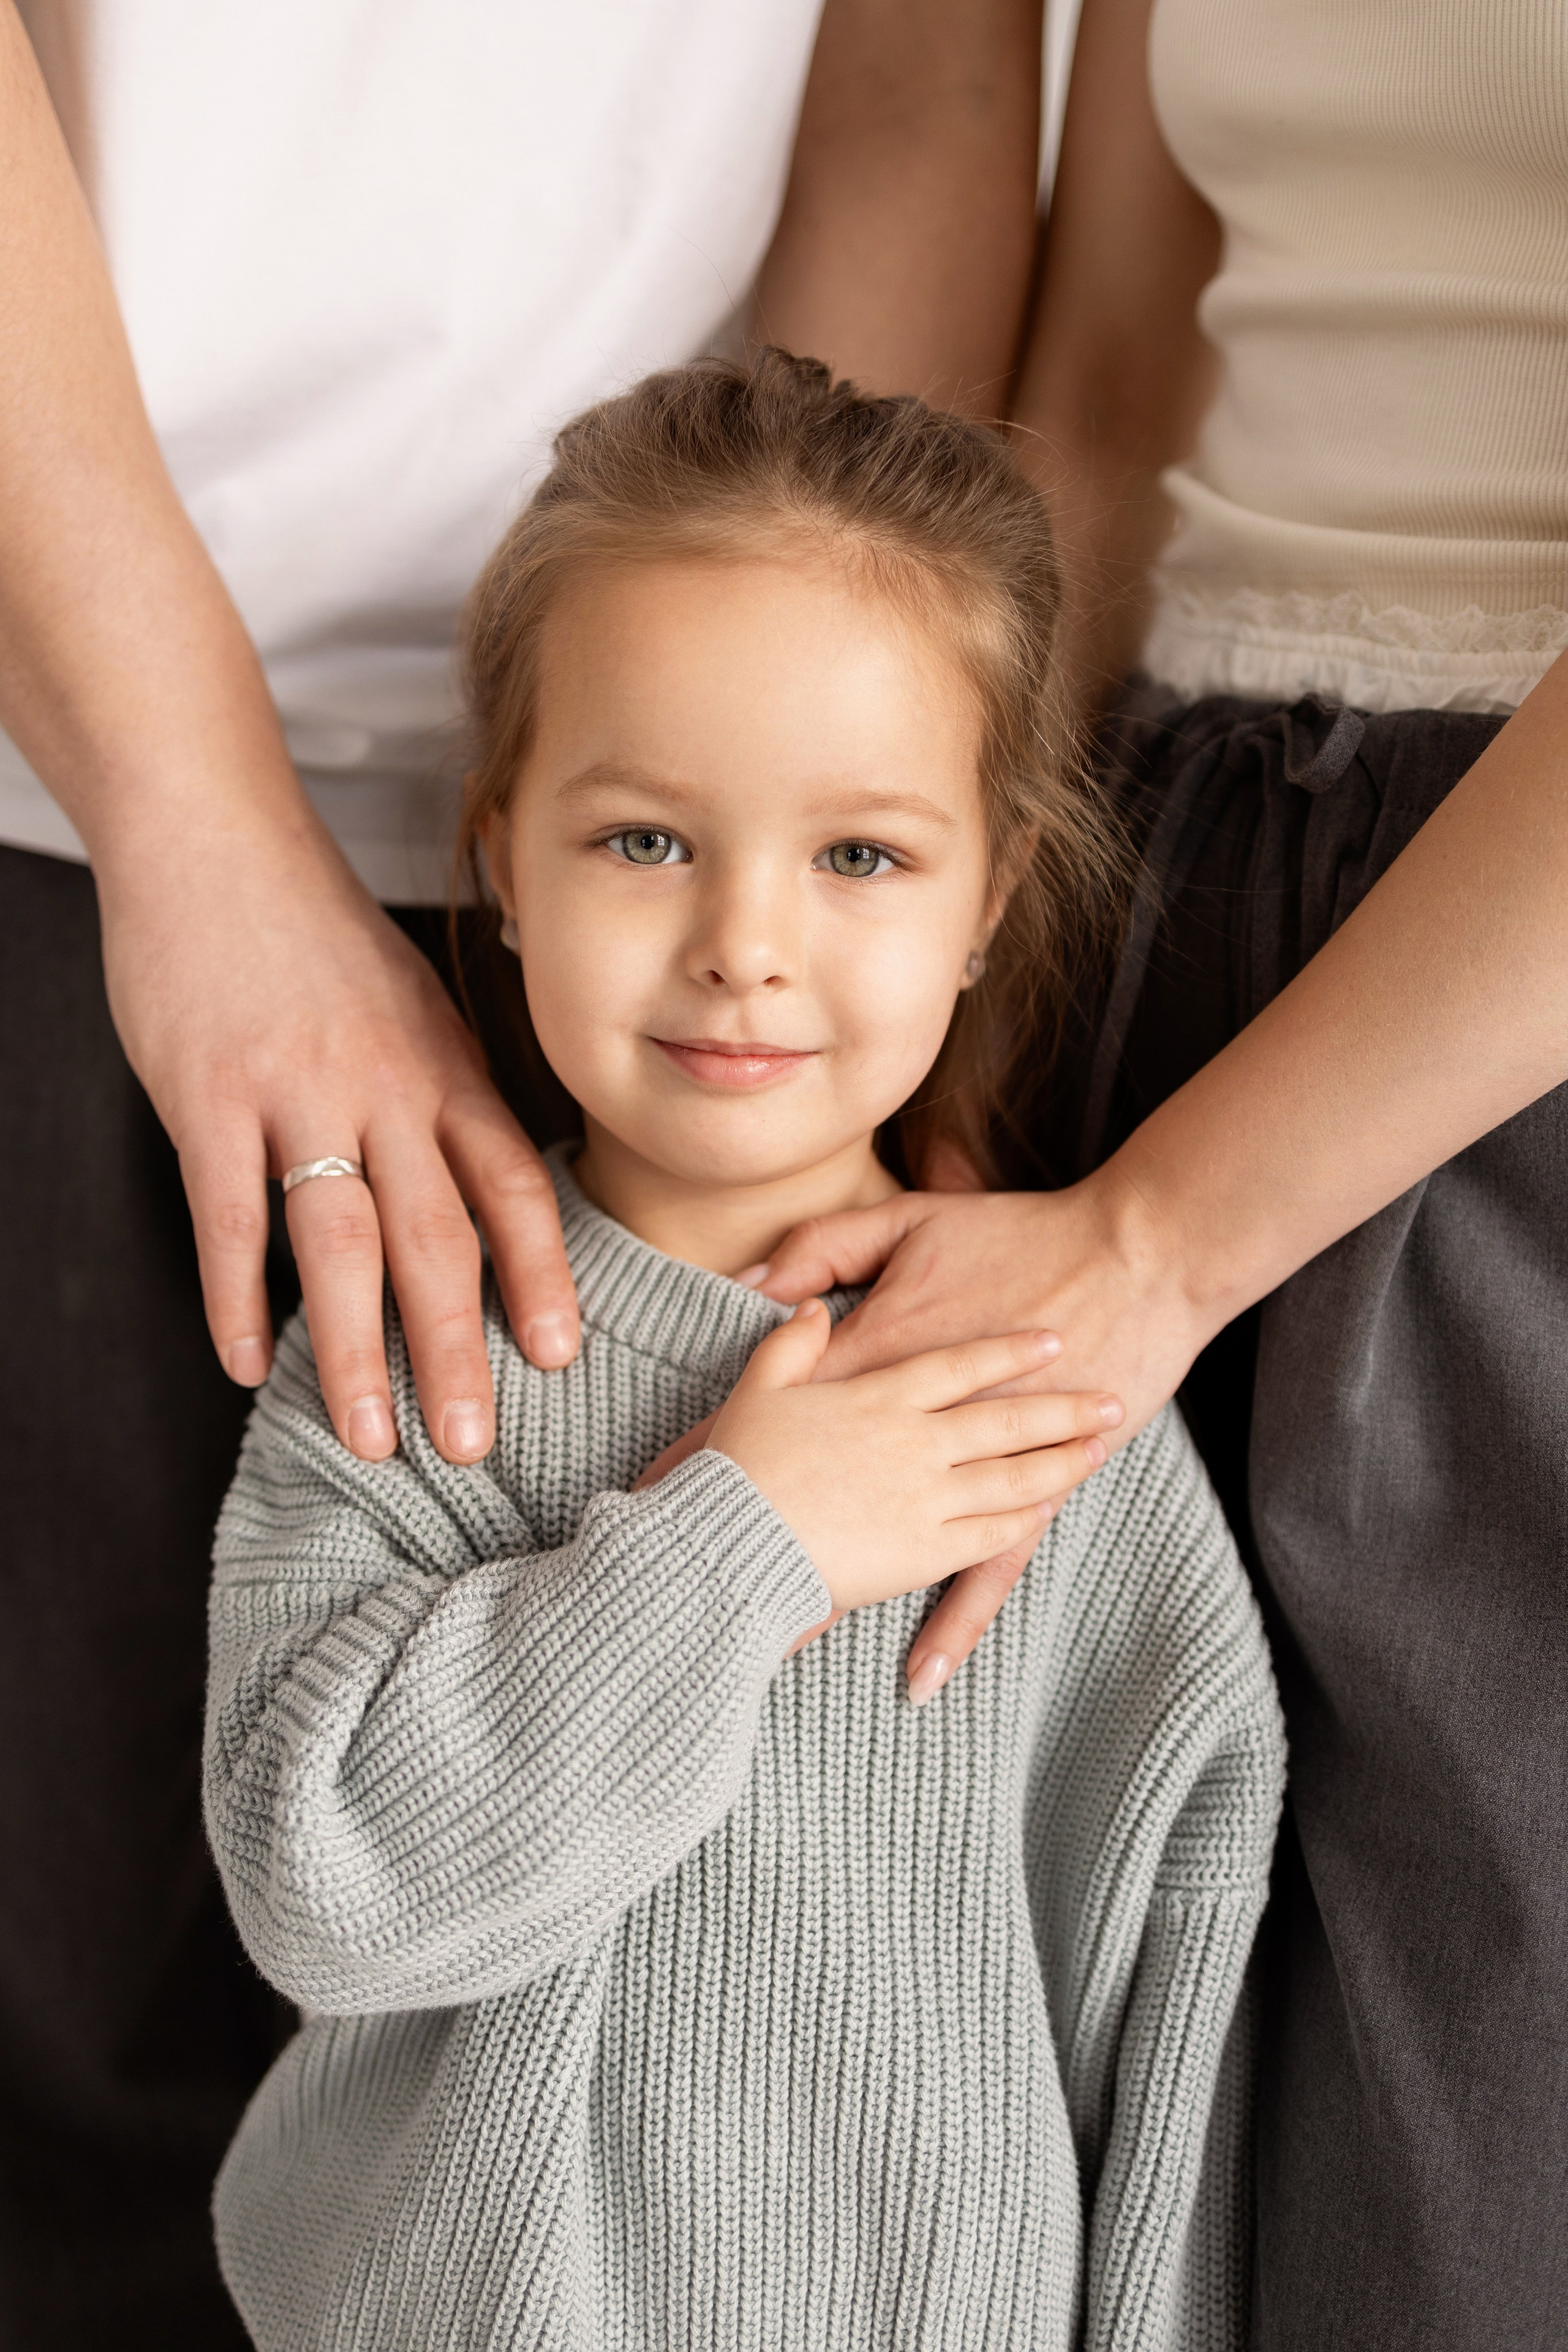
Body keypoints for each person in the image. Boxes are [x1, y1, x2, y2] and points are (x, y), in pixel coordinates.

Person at [0, 4, 1049, 2340]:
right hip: (67, 763)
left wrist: (803, 719)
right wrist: (192, 818)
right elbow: (339, 1866)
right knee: (70, 1999)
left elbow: (936, 88)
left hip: (644, 771)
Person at [204, 351, 1284, 2351]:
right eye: (644, 842)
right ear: (502, 859)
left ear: (988, 907)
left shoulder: (1051, 1399)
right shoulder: (413, 1358)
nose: (746, 946)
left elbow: (1173, 1990)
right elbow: (327, 1894)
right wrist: (745, 1543)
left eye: (860, 856)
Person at [729, 2, 1567, 2345]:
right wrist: (951, 1046)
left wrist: (1152, 1241)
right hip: (1160, 870)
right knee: (1046, 2091)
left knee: (1481, 2142)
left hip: (1511, 989)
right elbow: (1098, 392)